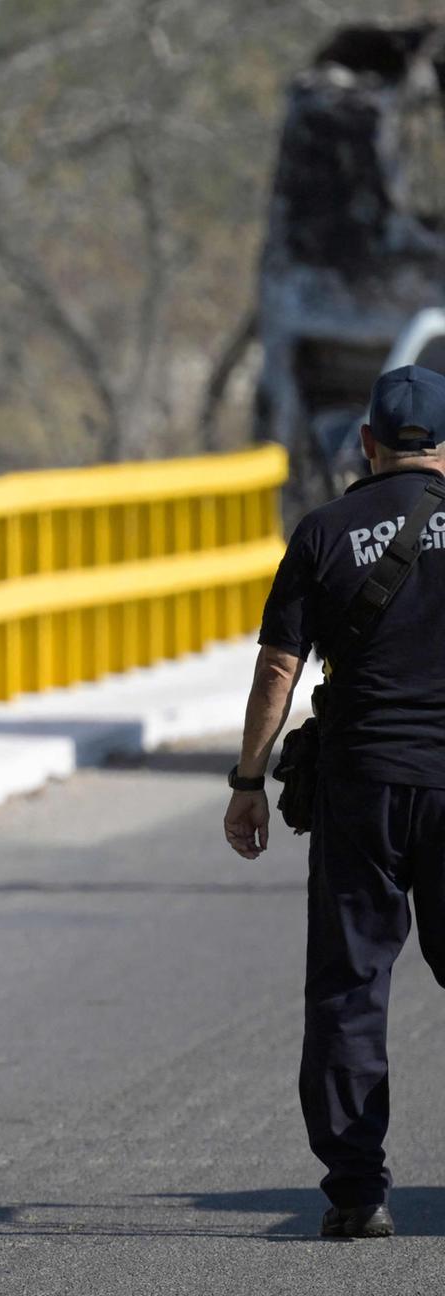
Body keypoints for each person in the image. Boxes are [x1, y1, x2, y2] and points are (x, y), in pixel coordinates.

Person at [223, 363, 445, 1240]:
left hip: (363, 785)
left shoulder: (323, 532)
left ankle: (358, 1189)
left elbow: (280, 666)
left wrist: (248, 781)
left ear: (368, 444)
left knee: (352, 987)